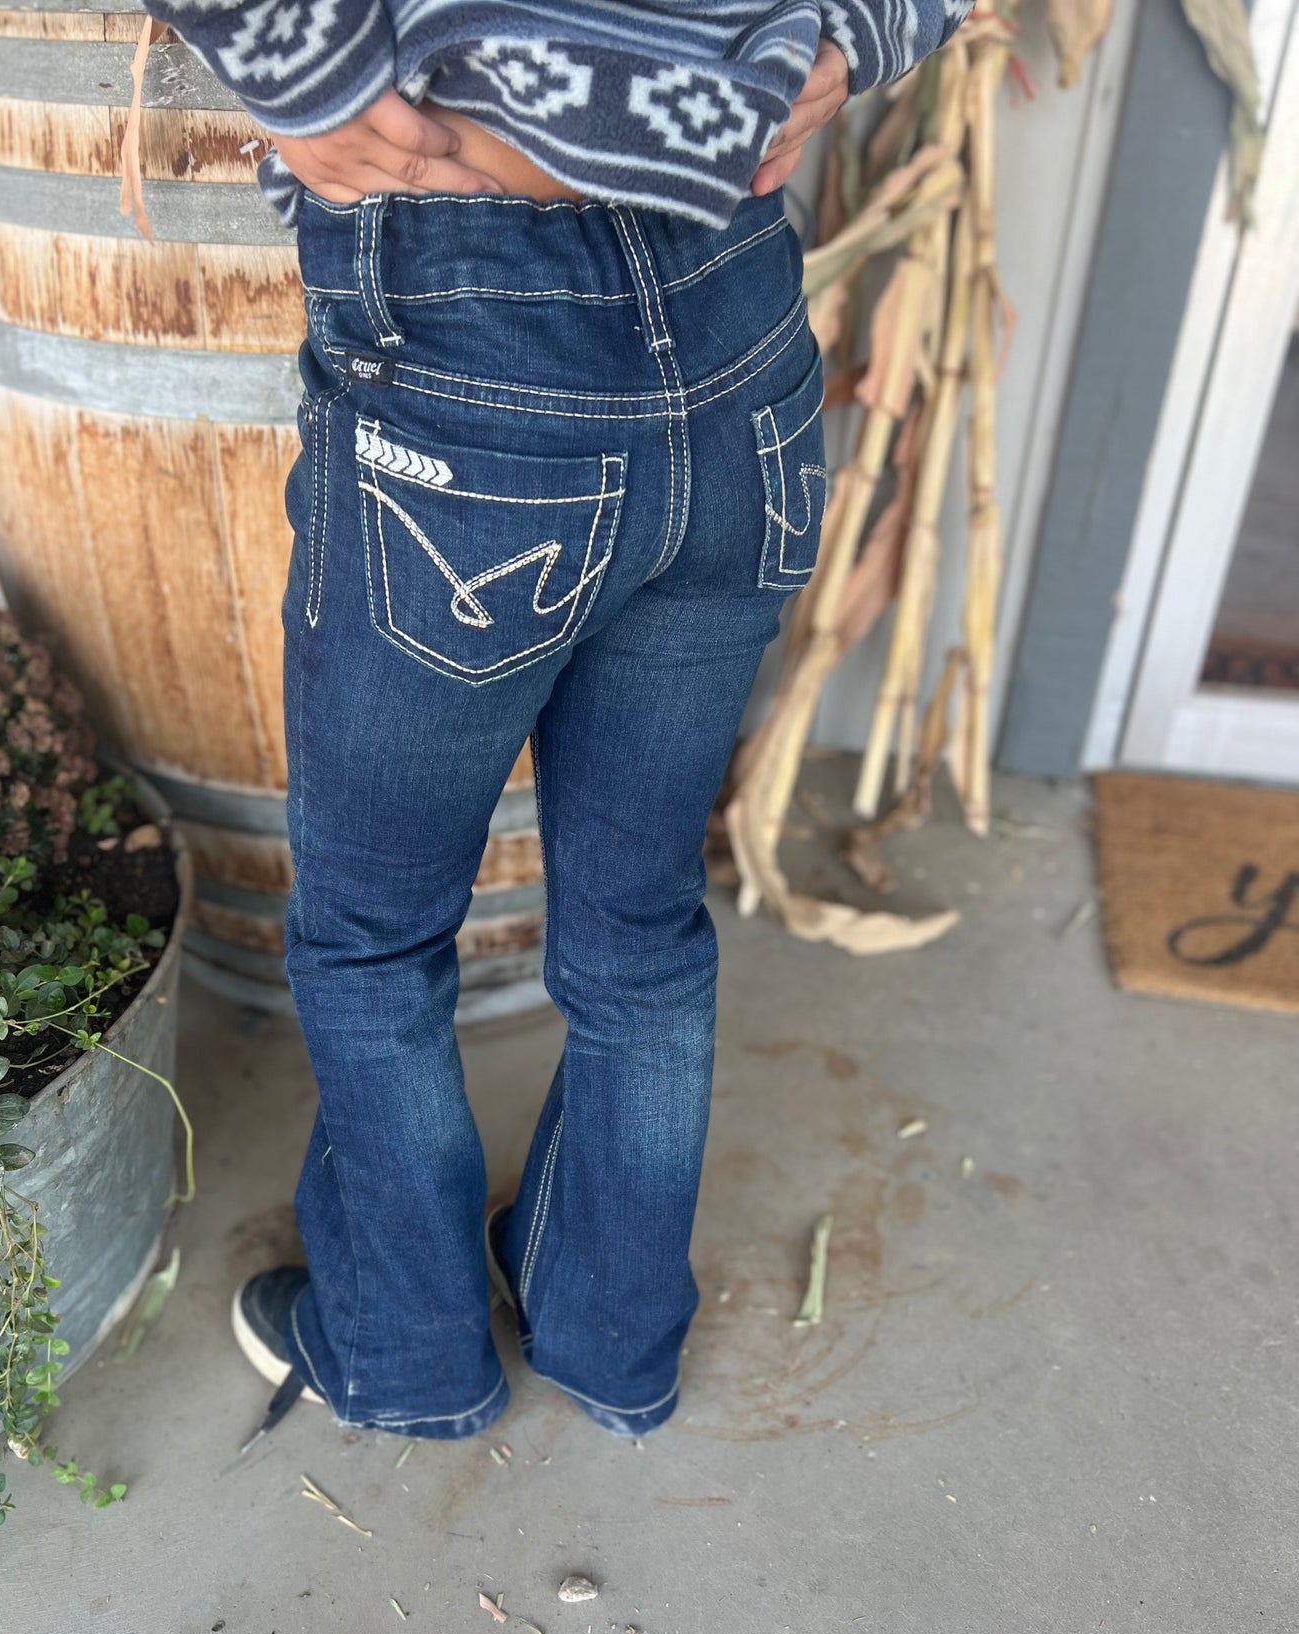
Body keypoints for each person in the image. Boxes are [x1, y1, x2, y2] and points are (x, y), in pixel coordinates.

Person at [143, 0, 968, 1442]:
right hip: (738, 328)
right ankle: (613, 1338)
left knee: (371, 937)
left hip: (466, 320)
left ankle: (403, 1357)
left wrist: (301, 75)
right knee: (641, 924)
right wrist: (862, 33)